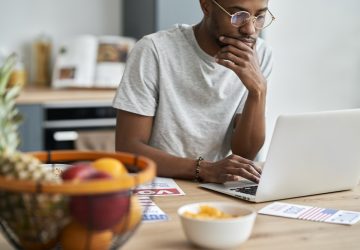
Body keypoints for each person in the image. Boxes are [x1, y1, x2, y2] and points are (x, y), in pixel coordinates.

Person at [112, 0, 275, 184]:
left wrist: (258, 91)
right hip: (158, 184)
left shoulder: (259, 55)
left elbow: (244, 154)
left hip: (214, 185)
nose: (250, 30)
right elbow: (129, 149)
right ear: (206, 6)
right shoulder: (153, 50)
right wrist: (205, 169)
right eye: (238, 16)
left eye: (259, 17)